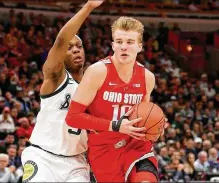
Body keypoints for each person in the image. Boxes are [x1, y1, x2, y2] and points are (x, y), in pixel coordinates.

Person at [66, 16, 165, 182]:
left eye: (130, 42)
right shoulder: (97, 72)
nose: (124, 47)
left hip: (136, 147)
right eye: (119, 41)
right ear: (113, 45)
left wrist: (157, 124)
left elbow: (144, 115)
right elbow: (73, 117)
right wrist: (116, 126)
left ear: (139, 46)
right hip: (104, 150)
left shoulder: (147, 77)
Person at [21, 1, 104, 182]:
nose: (75, 50)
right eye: (69, 47)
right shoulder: (56, 78)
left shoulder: (95, 88)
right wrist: (88, 7)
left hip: (77, 163)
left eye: (79, 47)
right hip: (43, 157)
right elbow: (60, 40)